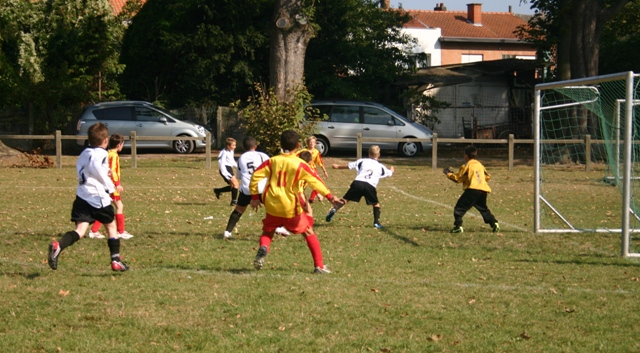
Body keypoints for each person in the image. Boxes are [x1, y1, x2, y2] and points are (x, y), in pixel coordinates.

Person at [249, 130, 342, 274]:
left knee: (267, 231)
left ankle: (264, 248)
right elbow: (315, 182)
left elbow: (255, 176)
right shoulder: (300, 164)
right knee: (308, 232)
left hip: (272, 204)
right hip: (290, 206)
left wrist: (255, 198)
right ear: (298, 145)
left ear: (281, 144)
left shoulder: (272, 161)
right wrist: (330, 197)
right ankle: (319, 266)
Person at [47, 122, 129, 272]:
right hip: (97, 197)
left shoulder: (85, 153)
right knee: (111, 226)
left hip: (82, 196)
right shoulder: (102, 153)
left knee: (80, 230)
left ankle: (59, 246)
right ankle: (116, 260)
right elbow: (96, 168)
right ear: (105, 141)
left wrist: (105, 173)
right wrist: (111, 186)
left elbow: (90, 169)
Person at [222, 136, 289, 238]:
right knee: (274, 207)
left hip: (247, 189)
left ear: (244, 147)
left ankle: (227, 232)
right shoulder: (263, 156)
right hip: (262, 188)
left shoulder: (241, 158)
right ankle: (278, 227)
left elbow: (239, 176)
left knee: (239, 209)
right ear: (256, 146)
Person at [325, 145, 394, 229]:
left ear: (369, 154)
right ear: (378, 155)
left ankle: (335, 209)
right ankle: (377, 222)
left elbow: (349, 165)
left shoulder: (362, 161)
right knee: (376, 204)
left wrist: (337, 166)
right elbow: (389, 173)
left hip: (358, 183)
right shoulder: (380, 166)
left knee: (345, 199)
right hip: (370, 185)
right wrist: (391, 169)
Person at [443, 145, 499, 233]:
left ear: (466, 155)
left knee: (459, 208)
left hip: (473, 190)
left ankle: (458, 226)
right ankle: (494, 223)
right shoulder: (480, 165)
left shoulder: (467, 165)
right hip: (483, 190)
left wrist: (448, 173)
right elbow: (487, 176)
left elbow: (458, 178)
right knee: (483, 209)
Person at [88, 133, 134, 240]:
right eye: (122, 144)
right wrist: (117, 184)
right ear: (119, 145)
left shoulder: (107, 153)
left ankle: (94, 230)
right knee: (119, 206)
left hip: (107, 185)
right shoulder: (114, 155)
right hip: (111, 186)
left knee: (106, 207)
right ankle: (120, 231)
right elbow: (112, 171)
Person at [297, 136, 328, 203]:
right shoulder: (303, 151)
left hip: (312, 169)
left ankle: (313, 198)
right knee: (303, 184)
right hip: (304, 169)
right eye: (310, 142)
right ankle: (301, 196)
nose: (311, 143)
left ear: (315, 144)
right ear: (308, 143)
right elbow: (295, 155)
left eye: (313, 142)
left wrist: (324, 171)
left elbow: (320, 162)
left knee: (317, 182)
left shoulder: (316, 152)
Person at [214, 137, 239, 206]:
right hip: (225, 170)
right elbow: (221, 163)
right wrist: (225, 173)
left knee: (233, 186)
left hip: (229, 169)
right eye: (233, 145)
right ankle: (234, 202)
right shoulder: (223, 152)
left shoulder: (231, 151)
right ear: (228, 146)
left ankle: (218, 190)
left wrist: (238, 167)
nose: (235, 146)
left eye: (235, 145)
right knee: (236, 185)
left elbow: (231, 161)